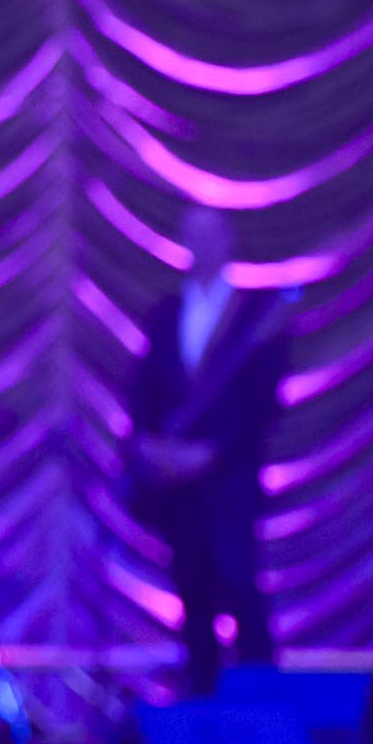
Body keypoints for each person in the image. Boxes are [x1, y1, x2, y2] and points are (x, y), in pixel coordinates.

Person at [128, 203, 289, 696]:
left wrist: (213, 453)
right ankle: (200, 706)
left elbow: (264, 400)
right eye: (192, 235)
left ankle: (261, 711)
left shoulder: (256, 315)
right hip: (177, 489)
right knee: (193, 597)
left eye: (210, 235)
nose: (201, 245)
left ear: (228, 241)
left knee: (241, 588)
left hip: (230, 482)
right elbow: (143, 389)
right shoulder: (164, 314)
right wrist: (153, 448)